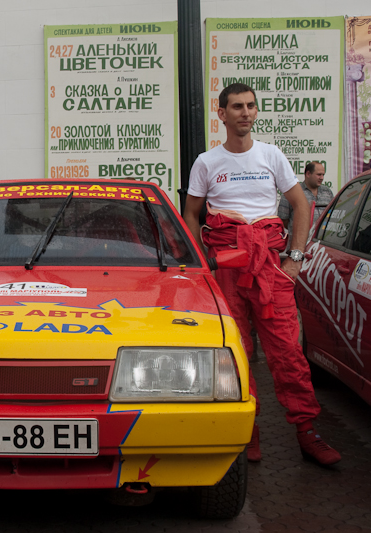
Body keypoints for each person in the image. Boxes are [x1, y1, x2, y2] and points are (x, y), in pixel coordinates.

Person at [183, 83, 341, 467]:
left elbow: (300, 205)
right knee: (236, 354)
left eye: (251, 106)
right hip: (227, 271)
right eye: (237, 106)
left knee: (287, 351)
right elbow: (190, 214)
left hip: (271, 268)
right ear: (222, 114)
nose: (246, 112)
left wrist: (295, 260)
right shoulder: (207, 162)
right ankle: (247, 431)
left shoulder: (271, 154)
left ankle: (307, 432)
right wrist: (203, 262)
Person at [277, 161, 334, 238]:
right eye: (319, 175)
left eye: (323, 175)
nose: (322, 178)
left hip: (322, 243)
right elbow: (284, 219)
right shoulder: (293, 191)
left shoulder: (327, 192)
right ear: (308, 174)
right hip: (298, 243)